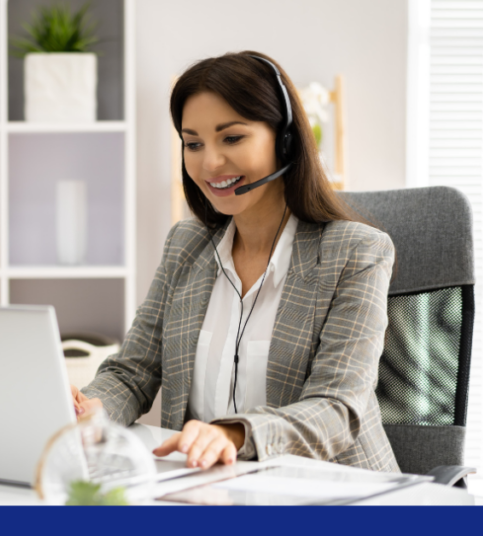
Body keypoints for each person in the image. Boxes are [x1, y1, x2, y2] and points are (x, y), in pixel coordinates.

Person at [73, 51, 399, 473]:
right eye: (193, 143)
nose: (209, 163)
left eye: (231, 138)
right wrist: (93, 408)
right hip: (209, 491)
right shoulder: (186, 245)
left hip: (335, 494)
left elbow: (338, 409)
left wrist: (235, 434)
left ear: (284, 140)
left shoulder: (356, 253)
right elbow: (132, 371)